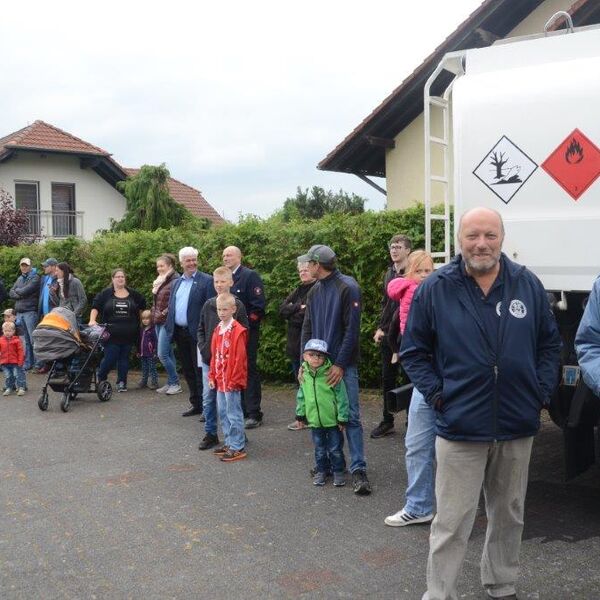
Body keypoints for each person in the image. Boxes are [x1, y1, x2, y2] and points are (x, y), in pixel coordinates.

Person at [400, 207, 561, 600]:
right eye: (473, 235)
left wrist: (538, 394)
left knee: (509, 516)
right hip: (459, 426)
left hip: (515, 425)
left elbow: (550, 346)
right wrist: (440, 396)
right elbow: (414, 352)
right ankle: (440, 592)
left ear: (502, 238)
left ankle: (502, 584)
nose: (481, 243)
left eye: (490, 235)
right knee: (452, 521)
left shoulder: (527, 284)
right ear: (459, 240)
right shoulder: (436, 287)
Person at [299, 244, 371, 496]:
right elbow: (306, 329)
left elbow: (352, 331)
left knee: (349, 417)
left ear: (318, 265)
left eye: (309, 263)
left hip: (342, 366)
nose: (305, 267)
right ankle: (331, 465)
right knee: (325, 417)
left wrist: (340, 363)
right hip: (317, 367)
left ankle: (359, 469)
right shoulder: (314, 291)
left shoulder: (348, 287)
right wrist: (303, 363)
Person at [383, 250, 438, 527]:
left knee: (460, 450)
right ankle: (419, 506)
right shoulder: (406, 296)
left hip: (445, 381)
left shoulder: (444, 295)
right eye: (421, 271)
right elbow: (397, 332)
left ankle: (454, 508)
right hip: (423, 382)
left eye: (430, 271)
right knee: (416, 445)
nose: (426, 276)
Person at [197, 267, 249, 451]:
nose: (219, 285)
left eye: (222, 281)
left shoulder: (238, 308)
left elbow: (241, 341)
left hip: (230, 371)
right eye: (216, 282)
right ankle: (218, 437)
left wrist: (235, 371)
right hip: (213, 366)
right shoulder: (210, 307)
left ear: (231, 282)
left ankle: (237, 441)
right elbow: (201, 329)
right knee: (213, 403)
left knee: (232, 407)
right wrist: (205, 350)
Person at [371, 235, 412, 438]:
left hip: (408, 335)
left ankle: (411, 423)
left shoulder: (413, 274)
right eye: (392, 247)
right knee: (387, 379)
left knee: (409, 378)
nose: (394, 250)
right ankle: (387, 421)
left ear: (408, 251)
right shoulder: (389, 273)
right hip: (389, 336)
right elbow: (386, 305)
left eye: (398, 247)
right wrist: (381, 327)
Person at [165, 247, 214, 416]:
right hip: (180, 333)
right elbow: (172, 306)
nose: (192, 263)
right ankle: (196, 404)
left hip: (198, 335)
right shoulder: (176, 282)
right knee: (188, 370)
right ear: (181, 263)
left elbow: (211, 309)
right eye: (188, 260)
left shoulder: (207, 280)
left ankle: (207, 407)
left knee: (201, 371)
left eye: (194, 259)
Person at [295, 339, 348, 487]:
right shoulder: (303, 375)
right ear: (305, 356)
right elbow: (301, 396)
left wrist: (342, 417)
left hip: (332, 421)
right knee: (319, 449)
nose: (316, 358)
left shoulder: (331, 374)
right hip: (314, 421)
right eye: (312, 355)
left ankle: (338, 471)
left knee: (335, 449)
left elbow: (341, 396)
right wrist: (300, 414)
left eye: (320, 356)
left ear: (325, 358)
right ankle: (321, 471)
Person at [222, 245, 265, 428]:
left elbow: (258, 306)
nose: (225, 258)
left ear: (239, 257)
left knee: (248, 370)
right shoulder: (225, 278)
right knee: (234, 369)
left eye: (229, 255)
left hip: (245, 333)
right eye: (223, 255)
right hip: (228, 333)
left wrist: (245, 328)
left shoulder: (249, 276)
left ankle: (254, 413)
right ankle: (241, 409)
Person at [89, 269, 146, 392]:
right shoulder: (106, 294)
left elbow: (142, 306)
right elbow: (95, 306)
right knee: (110, 358)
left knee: (124, 359)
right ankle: (101, 378)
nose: (120, 279)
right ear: (112, 279)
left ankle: (122, 382)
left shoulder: (133, 294)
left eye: (122, 277)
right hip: (110, 334)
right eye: (118, 277)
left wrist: (141, 321)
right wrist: (92, 320)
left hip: (129, 333)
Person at [208, 292, 248, 462]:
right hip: (220, 381)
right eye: (219, 309)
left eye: (225, 309)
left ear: (233, 309)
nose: (222, 312)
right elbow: (214, 355)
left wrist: (235, 380)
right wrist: (212, 375)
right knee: (223, 412)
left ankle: (237, 445)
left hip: (231, 381)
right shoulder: (218, 329)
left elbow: (240, 359)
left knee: (234, 413)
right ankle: (229, 442)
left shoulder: (237, 331)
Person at [279, 260, 317, 431]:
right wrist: (297, 307)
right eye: (300, 270)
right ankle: (303, 416)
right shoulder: (298, 290)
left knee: (310, 383)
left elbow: (307, 317)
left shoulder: (316, 289)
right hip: (295, 345)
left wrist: (293, 311)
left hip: (309, 345)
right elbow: (282, 310)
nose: (303, 273)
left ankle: (308, 417)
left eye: (306, 270)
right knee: (300, 382)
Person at [151, 254, 181, 395]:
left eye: (162, 265)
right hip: (157, 320)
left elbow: (175, 301)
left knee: (162, 354)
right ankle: (170, 382)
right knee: (168, 353)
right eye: (158, 266)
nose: (159, 268)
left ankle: (175, 382)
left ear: (170, 266)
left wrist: (164, 313)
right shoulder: (160, 281)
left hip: (166, 321)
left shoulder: (175, 279)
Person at [8, 258, 40, 371]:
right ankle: (28, 363)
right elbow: (11, 292)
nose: (24, 267)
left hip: (30, 312)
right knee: (26, 341)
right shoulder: (20, 278)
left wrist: (19, 292)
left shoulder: (35, 278)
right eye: (22, 265)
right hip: (20, 313)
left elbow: (26, 290)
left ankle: (38, 364)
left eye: (26, 265)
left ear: (31, 266)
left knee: (33, 340)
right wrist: (19, 293)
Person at [1, 321, 26, 396]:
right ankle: (9, 387)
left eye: (9, 331)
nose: (7, 332)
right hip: (4, 363)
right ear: (3, 331)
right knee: (8, 376)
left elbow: (20, 352)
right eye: (5, 331)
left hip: (15, 362)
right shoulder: (1, 340)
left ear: (13, 331)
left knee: (17, 375)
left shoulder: (17, 340)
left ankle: (21, 387)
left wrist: (20, 361)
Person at [137, 309, 158, 389]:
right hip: (143, 353)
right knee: (144, 368)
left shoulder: (152, 330)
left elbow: (155, 341)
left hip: (150, 354)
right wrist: (139, 351)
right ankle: (144, 381)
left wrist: (155, 350)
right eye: (143, 319)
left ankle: (154, 382)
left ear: (151, 319)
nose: (145, 321)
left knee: (152, 369)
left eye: (147, 318)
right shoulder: (142, 330)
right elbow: (140, 341)